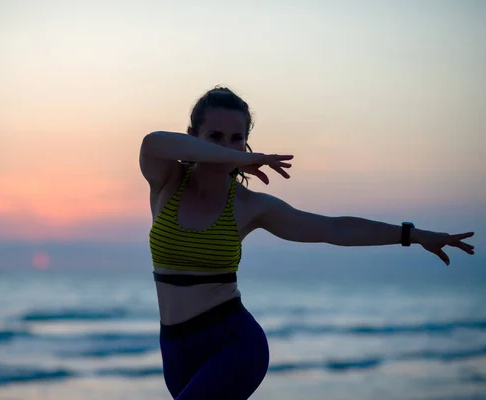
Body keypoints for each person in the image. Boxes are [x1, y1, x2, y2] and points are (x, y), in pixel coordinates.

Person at [138, 86, 475, 400]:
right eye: (214, 137)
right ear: (192, 137)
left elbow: (333, 229)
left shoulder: (250, 206)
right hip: (175, 348)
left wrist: (411, 235)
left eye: (236, 139)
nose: (226, 148)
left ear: (247, 143)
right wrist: (237, 160)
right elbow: (153, 143)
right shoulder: (167, 182)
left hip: (233, 343)